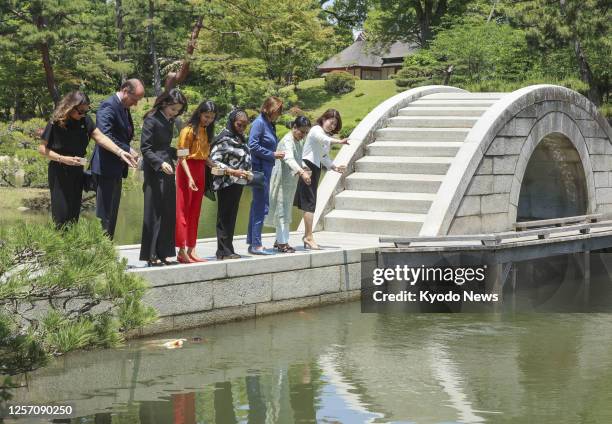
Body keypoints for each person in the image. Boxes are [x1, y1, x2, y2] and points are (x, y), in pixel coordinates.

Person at [38, 91, 137, 228]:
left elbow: (101, 138)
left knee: (73, 214)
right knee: (61, 215)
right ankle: (59, 247)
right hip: (59, 171)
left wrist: (120, 152)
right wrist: (62, 158)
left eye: (86, 111)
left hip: (77, 171)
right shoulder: (55, 122)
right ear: (70, 107)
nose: (83, 114)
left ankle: (72, 247)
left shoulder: (86, 121)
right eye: (80, 111)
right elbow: (42, 149)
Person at [139, 89, 188, 266]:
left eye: (178, 111)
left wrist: (179, 153)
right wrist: (159, 163)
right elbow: (146, 149)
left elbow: (165, 147)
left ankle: (164, 253)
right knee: (154, 211)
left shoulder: (169, 121)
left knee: (168, 211)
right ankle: (151, 254)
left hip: (168, 168)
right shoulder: (151, 120)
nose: (175, 113)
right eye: (173, 109)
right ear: (165, 103)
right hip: (155, 170)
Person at [91, 78, 144, 239]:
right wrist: (127, 149)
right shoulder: (108, 106)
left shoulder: (123, 107)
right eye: (135, 99)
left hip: (117, 167)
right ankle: (99, 253)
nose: (135, 104)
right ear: (125, 91)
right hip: (105, 167)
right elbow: (104, 135)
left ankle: (106, 251)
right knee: (104, 214)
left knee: (112, 213)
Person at [294, 109, 349, 250]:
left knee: (310, 203)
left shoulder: (324, 135)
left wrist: (334, 167)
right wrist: (339, 141)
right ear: (324, 119)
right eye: (331, 122)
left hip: (315, 168)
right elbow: (323, 139)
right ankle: (308, 236)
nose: (332, 126)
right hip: (307, 168)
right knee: (309, 203)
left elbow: (323, 156)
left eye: (335, 124)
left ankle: (307, 236)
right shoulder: (316, 130)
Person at [175, 100, 217, 263]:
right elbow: (182, 156)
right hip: (187, 170)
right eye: (206, 116)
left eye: (212, 117)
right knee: (183, 211)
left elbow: (203, 156)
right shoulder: (188, 130)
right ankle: (181, 250)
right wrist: (190, 178)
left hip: (200, 170)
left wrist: (215, 166)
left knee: (195, 212)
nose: (208, 120)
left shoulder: (205, 131)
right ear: (199, 113)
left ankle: (192, 249)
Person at [264, 116, 312, 253]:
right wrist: (302, 172)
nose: (303, 135)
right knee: (281, 211)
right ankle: (282, 243)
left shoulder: (299, 141)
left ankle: (279, 240)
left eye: (306, 132)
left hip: (290, 182)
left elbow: (298, 158)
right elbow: (289, 158)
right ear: (294, 127)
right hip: (280, 181)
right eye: (302, 131)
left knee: (285, 211)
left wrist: (304, 168)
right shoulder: (287, 140)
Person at [209, 109, 252, 260]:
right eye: (239, 125)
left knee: (232, 216)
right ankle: (222, 251)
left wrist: (246, 172)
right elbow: (213, 161)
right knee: (224, 215)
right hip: (226, 182)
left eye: (245, 126)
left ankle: (229, 249)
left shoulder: (240, 137)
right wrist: (233, 171)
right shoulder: (224, 138)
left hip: (239, 182)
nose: (242, 128)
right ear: (233, 122)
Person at [247, 96, 286, 255]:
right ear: (270, 109)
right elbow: (253, 145)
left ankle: (253, 242)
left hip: (266, 169)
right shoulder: (259, 123)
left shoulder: (269, 124)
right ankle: (256, 244)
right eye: (278, 111)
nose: (279, 114)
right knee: (261, 206)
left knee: (258, 205)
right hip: (260, 170)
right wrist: (272, 154)